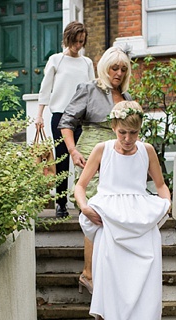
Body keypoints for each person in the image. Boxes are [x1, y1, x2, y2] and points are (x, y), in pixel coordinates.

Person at [73, 100, 171, 320]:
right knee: (109, 302)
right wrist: (85, 207)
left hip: (141, 231)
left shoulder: (148, 151)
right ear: (114, 127)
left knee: (137, 298)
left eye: (134, 132)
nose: (128, 138)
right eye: (123, 132)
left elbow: (160, 186)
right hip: (111, 231)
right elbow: (81, 186)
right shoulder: (102, 149)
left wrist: (164, 206)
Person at [58, 46, 133, 294]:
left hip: (120, 156)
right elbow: (66, 122)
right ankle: (88, 273)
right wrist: (73, 151)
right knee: (94, 212)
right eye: (115, 68)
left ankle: (110, 271)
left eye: (123, 69)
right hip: (92, 154)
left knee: (116, 212)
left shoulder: (127, 97)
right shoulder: (89, 89)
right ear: (105, 68)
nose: (119, 73)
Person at [34, 21, 95, 218]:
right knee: (62, 160)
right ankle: (60, 204)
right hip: (60, 116)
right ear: (68, 39)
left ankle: (82, 201)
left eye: (82, 42)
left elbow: (92, 90)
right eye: (76, 41)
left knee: (85, 158)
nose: (79, 45)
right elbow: (46, 88)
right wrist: (39, 115)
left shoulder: (86, 63)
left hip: (81, 118)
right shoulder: (56, 60)